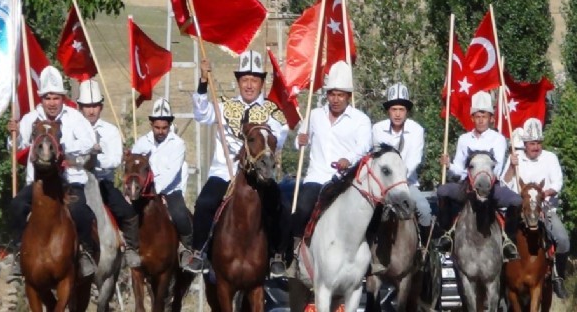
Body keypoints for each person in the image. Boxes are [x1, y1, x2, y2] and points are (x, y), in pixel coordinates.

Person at [184, 50, 289, 276]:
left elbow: (279, 137)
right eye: (244, 80)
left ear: (262, 83)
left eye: (254, 80)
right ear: (238, 81)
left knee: (280, 206)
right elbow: (202, 114)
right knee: (204, 203)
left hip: (261, 174)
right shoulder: (224, 107)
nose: (249, 85)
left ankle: (277, 255)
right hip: (225, 171)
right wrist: (203, 83)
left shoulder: (273, 112)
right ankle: (199, 251)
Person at [7, 66, 98, 277]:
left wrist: (60, 146)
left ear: (62, 98)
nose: (51, 102)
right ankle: (20, 250)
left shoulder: (75, 117)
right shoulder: (31, 118)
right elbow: (15, 146)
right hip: (38, 184)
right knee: (17, 206)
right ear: (41, 99)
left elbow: (90, 142)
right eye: (47, 97)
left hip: (69, 181)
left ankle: (85, 252)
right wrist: (13, 134)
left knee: (81, 212)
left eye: (55, 97)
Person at [288, 61, 373, 276]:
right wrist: (300, 140)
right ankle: (293, 252)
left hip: (344, 180)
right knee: (302, 209)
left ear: (348, 96)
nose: (335, 99)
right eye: (332, 94)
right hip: (316, 177)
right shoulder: (314, 114)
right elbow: (297, 144)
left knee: (368, 214)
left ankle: (371, 257)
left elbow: (365, 149)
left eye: (340, 95)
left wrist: (349, 160)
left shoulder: (360, 120)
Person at [436, 90, 522, 261]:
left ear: (491, 118)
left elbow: (496, 170)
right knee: (442, 191)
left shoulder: (498, 139)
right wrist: (449, 165)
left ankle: (509, 241)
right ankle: (446, 234)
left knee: (516, 201)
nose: (481, 120)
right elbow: (460, 169)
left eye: (485, 116)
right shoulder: (463, 139)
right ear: (472, 118)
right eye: (477, 116)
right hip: (467, 186)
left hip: (491, 187)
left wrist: (484, 180)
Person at [501, 118, 570, 298]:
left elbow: (558, 182)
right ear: (525, 144)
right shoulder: (516, 159)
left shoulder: (550, 157)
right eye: (532, 143)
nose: (536, 147)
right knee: (500, 238)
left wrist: (543, 194)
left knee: (562, 239)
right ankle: (499, 276)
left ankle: (558, 277)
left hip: (544, 207)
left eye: (538, 143)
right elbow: (503, 185)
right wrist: (511, 167)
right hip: (519, 209)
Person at [77, 79, 141, 268]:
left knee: (127, 212)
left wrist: (95, 161)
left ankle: (131, 248)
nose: (91, 111)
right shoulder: (72, 128)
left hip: (102, 182)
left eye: (95, 106)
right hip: (78, 182)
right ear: (79, 107)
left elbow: (114, 160)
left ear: (101, 107)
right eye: (87, 106)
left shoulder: (110, 131)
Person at [371, 83, 432, 259]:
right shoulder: (377, 129)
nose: (397, 113)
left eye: (402, 109)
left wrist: (398, 179)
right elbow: (377, 159)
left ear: (407, 111)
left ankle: (424, 249)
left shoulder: (417, 130)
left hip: (407, 183)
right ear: (388, 111)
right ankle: (364, 249)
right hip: (382, 186)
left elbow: (414, 160)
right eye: (394, 109)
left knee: (424, 209)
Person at [131, 98, 193, 261]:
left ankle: (186, 249)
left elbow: (171, 173)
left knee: (181, 216)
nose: (160, 131)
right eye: (157, 127)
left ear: (169, 125)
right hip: (143, 192)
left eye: (164, 128)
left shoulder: (178, 144)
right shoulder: (141, 143)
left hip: (170, 191)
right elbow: (133, 167)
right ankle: (128, 247)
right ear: (151, 125)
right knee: (128, 214)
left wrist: (155, 191)